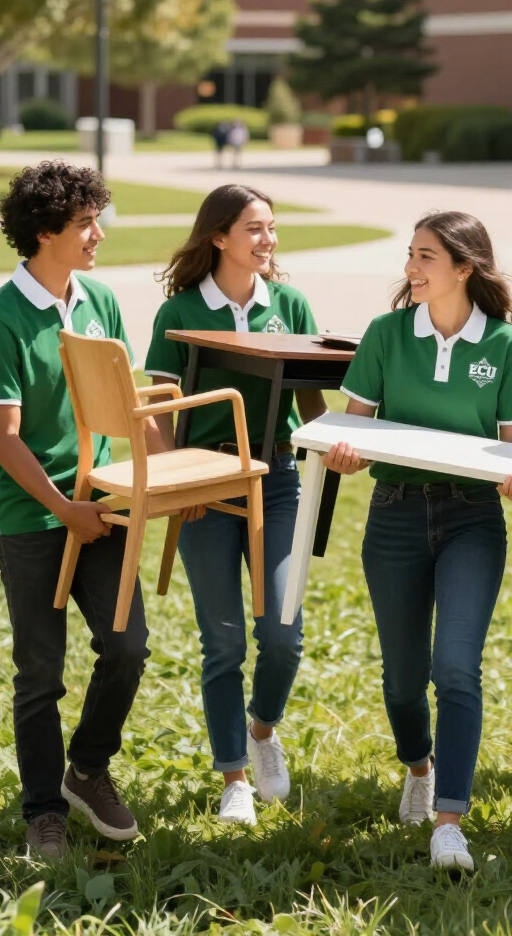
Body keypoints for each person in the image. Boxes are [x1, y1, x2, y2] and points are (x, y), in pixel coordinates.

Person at [322, 211, 512, 872]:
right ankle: (418, 764)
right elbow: (355, 428)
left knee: (456, 667)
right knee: (401, 679)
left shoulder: (505, 346)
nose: (411, 269)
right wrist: (345, 454)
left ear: (465, 268)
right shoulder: (388, 335)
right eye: (411, 255)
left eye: (426, 257)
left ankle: (450, 820)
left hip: (473, 519)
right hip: (393, 513)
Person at [0, 161, 154, 859]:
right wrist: (61, 508)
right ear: (44, 233)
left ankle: (87, 768)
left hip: (103, 511)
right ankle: (43, 811)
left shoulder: (99, 302)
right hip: (33, 519)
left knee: (128, 647)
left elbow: (129, 408)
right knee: (40, 673)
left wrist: (166, 479)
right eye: (85, 225)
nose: (98, 235)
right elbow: (5, 439)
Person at [145, 184, 326, 826]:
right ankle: (234, 780)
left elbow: (313, 404)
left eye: (271, 228)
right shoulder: (180, 311)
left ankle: (262, 729)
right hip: (205, 483)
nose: (267, 240)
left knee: (282, 633)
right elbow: (156, 413)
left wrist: (341, 439)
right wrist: (179, 482)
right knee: (221, 641)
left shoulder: (293, 305)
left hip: (276, 479)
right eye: (254, 229)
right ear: (219, 236)